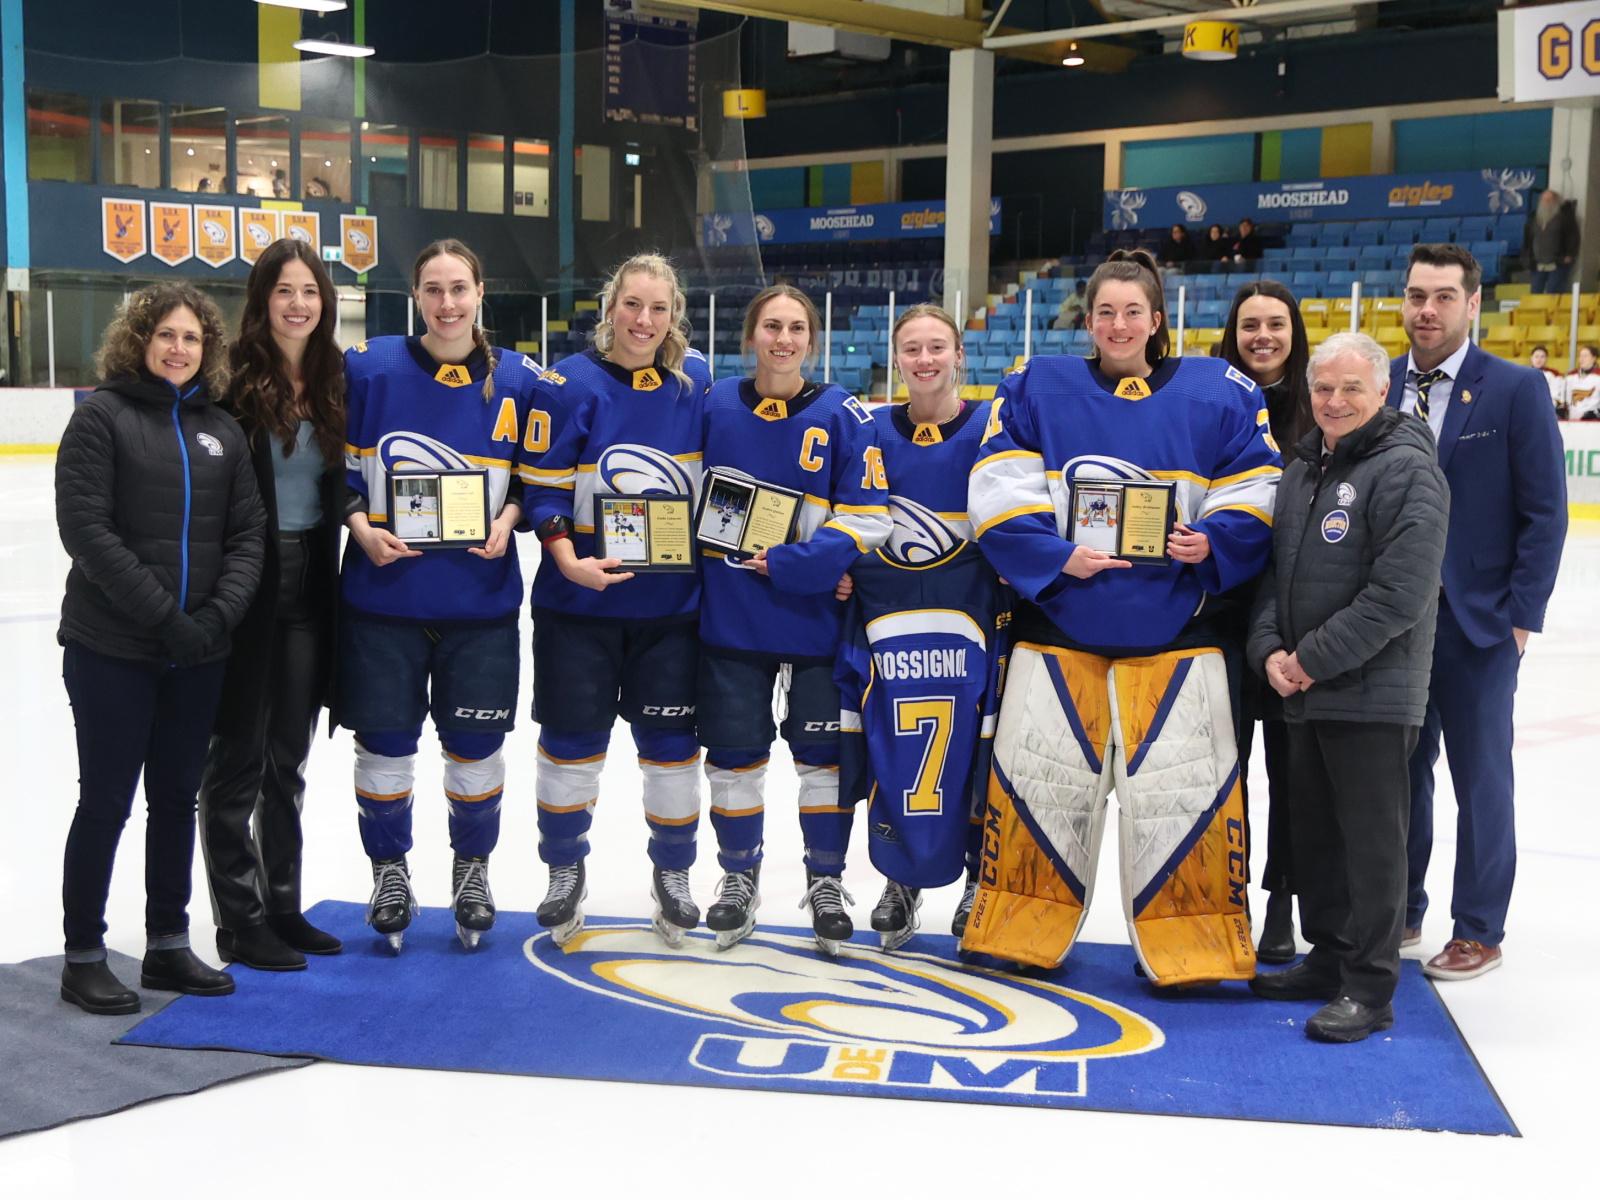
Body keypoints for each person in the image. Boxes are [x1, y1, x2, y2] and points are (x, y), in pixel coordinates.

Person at [965, 249, 1281, 985]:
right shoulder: (1036, 386)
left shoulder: (1220, 392)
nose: (1117, 323)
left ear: (1158, 320)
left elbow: (1259, 488)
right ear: (1089, 319)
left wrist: (1212, 540)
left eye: (1132, 311)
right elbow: (995, 487)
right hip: (1059, 630)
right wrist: (1055, 555)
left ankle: (1196, 945)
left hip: (1179, 635)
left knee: (1186, 805)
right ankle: (1016, 928)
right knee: (1038, 796)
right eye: (1105, 311)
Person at [55, 283, 266, 1014]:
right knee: (107, 801)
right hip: (111, 647)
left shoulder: (222, 431)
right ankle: (82, 954)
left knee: (177, 800)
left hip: (200, 650)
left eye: (192, 338)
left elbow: (247, 537)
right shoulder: (101, 419)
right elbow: (88, 534)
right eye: (165, 335)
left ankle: (169, 945)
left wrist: (214, 619)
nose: (179, 348)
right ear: (138, 341)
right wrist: (164, 620)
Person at [340, 238, 542, 953]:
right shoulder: (369, 369)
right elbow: (340, 469)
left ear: (480, 291)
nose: (447, 302)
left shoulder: (519, 379)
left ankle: (471, 872)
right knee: (385, 750)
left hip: (479, 606)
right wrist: (360, 527)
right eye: (433, 289)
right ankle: (389, 873)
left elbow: (535, 478)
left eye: (459, 287)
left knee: (476, 752)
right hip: (383, 602)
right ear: (415, 296)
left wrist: (510, 519)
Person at [1247, 332, 1449, 1043]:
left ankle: (1370, 986)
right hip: (1304, 693)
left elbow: (1399, 595)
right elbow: (1276, 577)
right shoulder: (1303, 470)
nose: (1333, 401)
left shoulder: (1406, 471)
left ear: (1382, 392)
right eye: (1323, 389)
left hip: (1371, 695)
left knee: (1371, 846)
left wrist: (1309, 661)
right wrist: (1270, 649)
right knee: (1317, 838)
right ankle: (1327, 959)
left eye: (1350, 389)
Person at [696, 284, 892, 955]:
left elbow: (870, 516)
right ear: (751, 335)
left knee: (823, 762)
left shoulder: (844, 414)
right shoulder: (714, 402)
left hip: (813, 616)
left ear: (812, 339)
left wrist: (803, 565)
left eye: (797, 328)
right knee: (735, 758)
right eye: (772, 326)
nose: (784, 339)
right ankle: (738, 879)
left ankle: (827, 879)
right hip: (732, 614)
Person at [523, 253, 711, 948]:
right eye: (632, 305)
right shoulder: (569, 383)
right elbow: (542, 490)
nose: (643, 320)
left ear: (674, 316)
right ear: (609, 308)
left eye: (658, 308)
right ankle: (564, 872)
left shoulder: (697, 386)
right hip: (579, 610)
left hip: (672, 612)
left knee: (670, 751)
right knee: (571, 748)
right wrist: (565, 557)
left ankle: (673, 876)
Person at [1393, 244, 1566, 980]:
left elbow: (1546, 512)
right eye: (1414, 295)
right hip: (1395, 624)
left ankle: (1479, 928)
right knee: (1399, 775)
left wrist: (1521, 617)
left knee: (1481, 778)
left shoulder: (1516, 389)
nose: (1425, 310)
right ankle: (1400, 906)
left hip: (1478, 623)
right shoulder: (1382, 383)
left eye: (1441, 296)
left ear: (1472, 304)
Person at [835, 304, 1005, 952]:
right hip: (889, 624)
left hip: (975, 622)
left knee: (978, 748)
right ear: (897, 357)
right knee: (892, 745)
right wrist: (838, 568)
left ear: (960, 356)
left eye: (938, 347)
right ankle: (900, 878)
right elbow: (838, 511)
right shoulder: (869, 429)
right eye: (913, 348)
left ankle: (977, 879)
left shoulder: (994, 427)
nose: (925, 360)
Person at [196, 239, 347, 972]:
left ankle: (282, 905)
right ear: (263, 300)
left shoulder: (332, 379)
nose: (298, 304)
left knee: (286, 758)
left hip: (312, 581)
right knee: (237, 762)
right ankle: (239, 920)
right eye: (284, 291)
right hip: (247, 585)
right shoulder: (230, 380)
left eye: (310, 292)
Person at [1219, 280, 1315, 963]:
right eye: (1250, 324)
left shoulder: (1323, 404)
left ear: (1294, 332)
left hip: (1295, 621)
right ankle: (1222, 901)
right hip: (1222, 612)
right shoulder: (1210, 399)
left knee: (1289, 772)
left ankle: (1282, 900)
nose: (1263, 336)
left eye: (1275, 324)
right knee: (1223, 771)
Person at [1523, 190, 1580, 295]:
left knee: (1553, 291)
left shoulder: (1565, 217)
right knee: (1535, 291)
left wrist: (1570, 254)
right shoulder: (1533, 218)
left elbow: (1573, 237)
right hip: (1538, 263)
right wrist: (1527, 257)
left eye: (1549, 200)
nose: (1546, 202)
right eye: (1544, 200)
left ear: (1556, 201)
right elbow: (1528, 239)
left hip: (1558, 262)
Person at [1529, 345, 1568, 418]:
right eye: (1536, 356)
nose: (1539, 359)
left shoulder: (1555, 375)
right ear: (1531, 358)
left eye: (1542, 357)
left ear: (1546, 359)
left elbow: (1555, 396)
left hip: (1547, 412)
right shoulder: (1524, 374)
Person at [1567, 344, 1599, 420]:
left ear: (1594, 358)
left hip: (1593, 423)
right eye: (1580, 356)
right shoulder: (1570, 376)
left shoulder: (1598, 376)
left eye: (1585, 356)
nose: (1581, 359)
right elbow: (1566, 401)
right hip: (1571, 422)